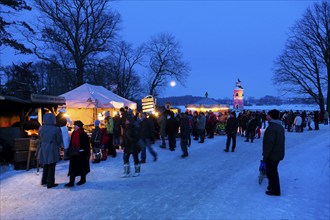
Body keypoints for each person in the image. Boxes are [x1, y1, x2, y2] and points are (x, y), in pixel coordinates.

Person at [262, 109, 285, 196]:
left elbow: (269, 144)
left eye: (268, 115)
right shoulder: (279, 126)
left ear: (271, 116)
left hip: (272, 154)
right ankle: (271, 186)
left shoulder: (272, 128)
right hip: (277, 153)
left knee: (272, 172)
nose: (266, 116)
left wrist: (265, 156)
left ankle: (275, 191)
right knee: (273, 171)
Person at [37, 113, 63, 189]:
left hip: (43, 148)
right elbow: (59, 139)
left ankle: (44, 180)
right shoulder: (56, 129)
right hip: (52, 148)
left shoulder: (41, 128)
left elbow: (40, 138)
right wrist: (59, 145)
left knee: (46, 164)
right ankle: (50, 183)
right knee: (52, 165)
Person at [65, 120, 90, 187]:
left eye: (76, 126)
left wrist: (87, 154)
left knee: (82, 167)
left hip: (81, 154)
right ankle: (71, 181)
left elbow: (86, 145)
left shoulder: (83, 134)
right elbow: (71, 142)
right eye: (74, 125)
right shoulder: (73, 133)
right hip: (74, 152)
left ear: (79, 126)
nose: (74, 127)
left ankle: (83, 179)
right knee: (72, 167)